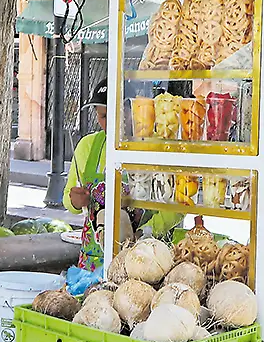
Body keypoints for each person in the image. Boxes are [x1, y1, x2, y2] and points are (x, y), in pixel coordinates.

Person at [63, 79, 179, 271]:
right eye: (102, 116)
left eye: (114, 114)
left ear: (133, 111)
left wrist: (146, 232)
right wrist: (75, 200)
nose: (107, 122)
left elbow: (177, 207)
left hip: (147, 258)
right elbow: (70, 202)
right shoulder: (88, 145)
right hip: (94, 259)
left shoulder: (158, 147)